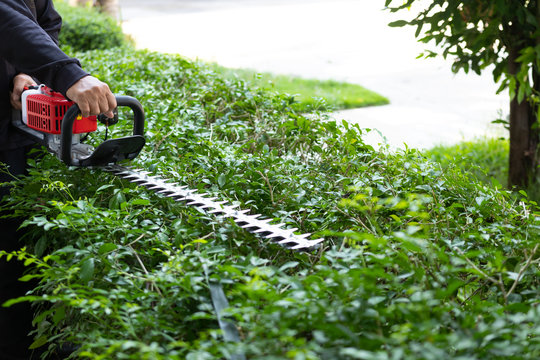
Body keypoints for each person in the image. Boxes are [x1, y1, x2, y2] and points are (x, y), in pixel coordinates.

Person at [0, 1, 117, 358]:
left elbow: (43, 19)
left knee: (16, 263)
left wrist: (25, 74)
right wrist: (70, 75)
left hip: (12, 134)